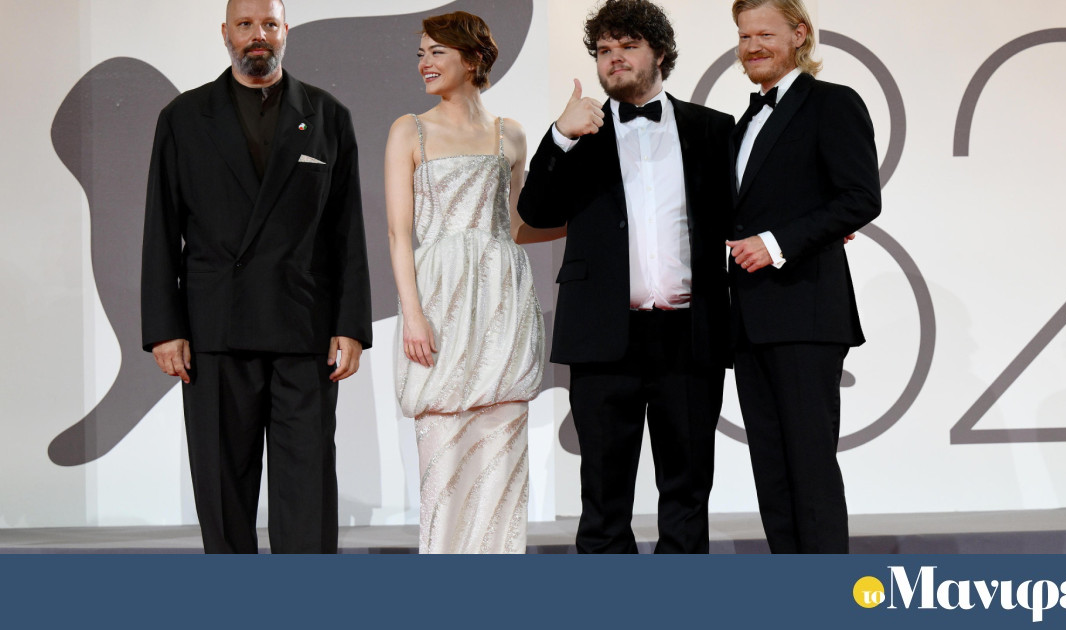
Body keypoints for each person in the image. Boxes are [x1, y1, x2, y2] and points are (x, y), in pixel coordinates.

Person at [140, 0, 372, 553]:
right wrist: (165, 328)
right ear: (226, 33)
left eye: (269, 24)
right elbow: (161, 227)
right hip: (216, 328)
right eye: (245, 25)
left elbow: (346, 231)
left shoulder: (327, 114)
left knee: (308, 486)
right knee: (223, 489)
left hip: (304, 327)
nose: (257, 35)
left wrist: (351, 325)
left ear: (285, 31)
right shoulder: (183, 117)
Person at [518, 0, 733, 553]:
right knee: (603, 492)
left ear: (659, 53)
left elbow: (745, 209)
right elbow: (536, 212)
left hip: (689, 336)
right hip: (602, 336)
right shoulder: (578, 133)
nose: (613, 57)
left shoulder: (713, 129)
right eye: (603, 49)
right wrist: (560, 136)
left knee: (688, 488)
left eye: (628, 46)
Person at [386, 11, 561, 554]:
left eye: (437, 51)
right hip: (439, 302)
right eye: (421, 53)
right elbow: (398, 234)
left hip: (502, 301)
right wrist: (413, 315)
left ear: (473, 58)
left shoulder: (511, 133)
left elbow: (517, 225)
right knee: (442, 454)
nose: (425, 63)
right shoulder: (409, 129)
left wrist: (591, 219)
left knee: (501, 449)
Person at [725, 0, 882, 553]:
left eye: (765, 34)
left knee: (809, 471)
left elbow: (860, 197)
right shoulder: (742, 123)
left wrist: (777, 243)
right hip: (749, 320)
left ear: (799, 34)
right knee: (772, 475)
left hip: (806, 313)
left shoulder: (833, 103)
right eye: (744, 36)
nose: (753, 47)